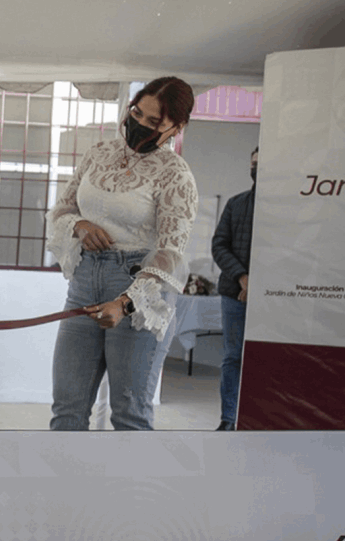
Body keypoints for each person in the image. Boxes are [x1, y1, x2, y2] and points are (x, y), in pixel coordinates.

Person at [47, 77, 199, 430]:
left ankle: (131, 487)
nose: (139, 124)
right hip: (84, 283)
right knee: (67, 409)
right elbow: (62, 210)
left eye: (153, 122)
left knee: (129, 414)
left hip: (139, 291)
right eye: (136, 112)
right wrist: (79, 226)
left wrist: (126, 302)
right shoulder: (98, 153)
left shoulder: (175, 174)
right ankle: (61, 484)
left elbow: (170, 253)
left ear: (176, 127)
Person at [211, 146, 258, 431]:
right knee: (233, 357)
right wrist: (242, 278)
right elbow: (219, 245)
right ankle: (229, 418)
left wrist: (260, 284)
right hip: (235, 295)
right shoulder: (236, 204)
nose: (257, 169)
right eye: (254, 164)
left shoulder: (288, 210)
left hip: (274, 298)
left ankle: (258, 416)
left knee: (266, 356)